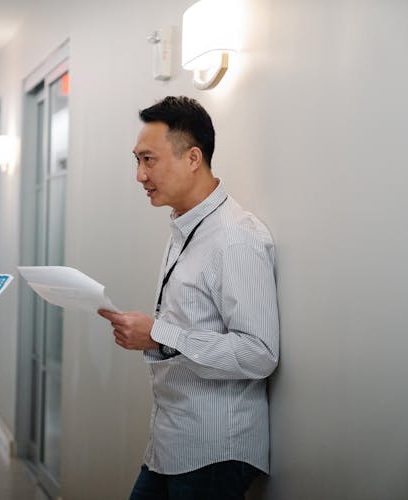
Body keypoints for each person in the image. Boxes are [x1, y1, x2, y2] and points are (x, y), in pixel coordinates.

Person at [99, 96, 279, 500]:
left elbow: (260, 353)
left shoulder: (236, 238)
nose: (140, 175)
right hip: (170, 443)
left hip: (214, 452)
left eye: (149, 160)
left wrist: (159, 335)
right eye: (137, 161)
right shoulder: (185, 226)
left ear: (193, 158)